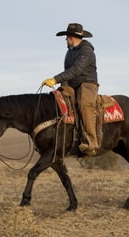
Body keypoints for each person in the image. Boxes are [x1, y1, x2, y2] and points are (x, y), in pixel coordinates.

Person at [42, 23, 99, 155]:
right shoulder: (69, 52)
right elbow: (68, 72)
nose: (66, 40)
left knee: (84, 104)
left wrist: (55, 79)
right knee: (57, 99)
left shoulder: (87, 51)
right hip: (72, 84)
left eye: (67, 37)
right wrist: (61, 86)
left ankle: (91, 142)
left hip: (87, 84)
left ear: (72, 37)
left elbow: (76, 70)